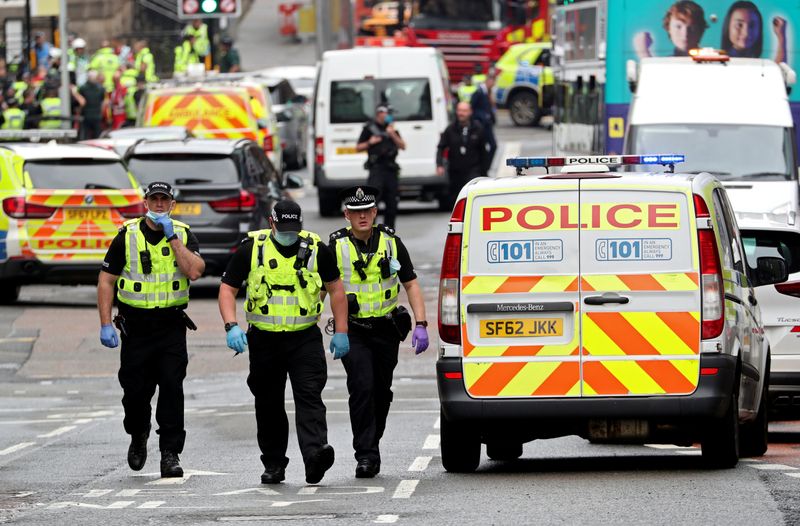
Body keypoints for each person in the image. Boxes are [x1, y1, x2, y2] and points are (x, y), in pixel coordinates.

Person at [218, 200, 350, 485]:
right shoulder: (251, 249)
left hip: (304, 338)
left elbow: (336, 290)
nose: (289, 233)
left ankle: (315, 456)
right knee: (268, 404)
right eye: (283, 228)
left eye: (294, 228)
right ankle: (274, 463)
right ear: (271, 222)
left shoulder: (315, 250)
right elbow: (227, 290)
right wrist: (231, 326)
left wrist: (342, 331)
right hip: (264, 340)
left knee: (310, 396)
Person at [97, 182, 205, 478]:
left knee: (172, 389)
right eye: (154, 199)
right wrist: (106, 324)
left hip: (170, 326)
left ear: (172, 204)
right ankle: (138, 432)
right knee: (134, 393)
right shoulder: (127, 236)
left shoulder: (182, 234)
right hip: (136, 328)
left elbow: (195, 271)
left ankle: (170, 453)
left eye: (164, 200)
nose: (159, 204)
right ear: (146, 202)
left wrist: (172, 239)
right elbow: (106, 281)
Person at [328, 186, 429, 478]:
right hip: (354, 330)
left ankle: (371, 441)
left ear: (374, 212)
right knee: (362, 387)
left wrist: (421, 325)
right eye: (355, 212)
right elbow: (321, 289)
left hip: (386, 329)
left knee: (381, 393)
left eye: (367, 211)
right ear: (347, 214)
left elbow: (410, 283)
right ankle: (366, 454)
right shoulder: (335, 246)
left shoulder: (391, 242)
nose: (362, 216)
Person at [356, 105, 406, 230]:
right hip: (376, 169)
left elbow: (403, 145)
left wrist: (392, 134)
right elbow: (358, 147)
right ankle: (370, 231)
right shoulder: (369, 129)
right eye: (386, 113)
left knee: (392, 203)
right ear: (379, 113)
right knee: (372, 202)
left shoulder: (392, 130)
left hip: (391, 170)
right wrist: (370, 142)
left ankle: (389, 231)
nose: (388, 116)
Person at [436, 101, 489, 209]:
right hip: (455, 172)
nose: (461, 113)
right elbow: (441, 147)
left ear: (470, 112)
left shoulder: (478, 129)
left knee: (471, 198)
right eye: (459, 110)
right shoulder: (450, 129)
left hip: (473, 170)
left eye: (464, 111)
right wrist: (439, 165)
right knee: (457, 201)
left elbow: (484, 152)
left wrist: (484, 171)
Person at [633, 1, 708, 58]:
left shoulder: (709, 61)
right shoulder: (667, 63)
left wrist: (644, 53)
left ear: (700, 30)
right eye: (678, 27)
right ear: (669, 28)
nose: (685, 33)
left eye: (692, 28)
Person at [721, 1, 788, 63]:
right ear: (728, 26)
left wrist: (781, 36)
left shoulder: (756, 60)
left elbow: (777, 73)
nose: (746, 33)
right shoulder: (721, 61)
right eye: (739, 25)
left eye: (752, 25)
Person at [469, 73, 496, 169]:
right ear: (489, 81)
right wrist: (479, 119)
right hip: (481, 124)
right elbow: (472, 107)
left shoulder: (487, 92)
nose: (493, 85)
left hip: (487, 124)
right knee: (484, 147)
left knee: (493, 146)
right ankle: (483, 167)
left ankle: (485, 166)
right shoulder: (479, 92)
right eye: (493, 83)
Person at [78, 70, 106, 140]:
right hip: (97, 115)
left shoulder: (83, 88)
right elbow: (103, 103)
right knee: (97, 136)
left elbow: (81, 103)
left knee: (85, 136)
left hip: (86, 116)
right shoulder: (101, 89)